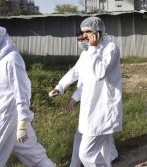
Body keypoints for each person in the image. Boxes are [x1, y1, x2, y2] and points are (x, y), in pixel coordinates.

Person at [0, 25, 55, 167]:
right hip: (5, 115)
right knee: (32, 153)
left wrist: (23, 122)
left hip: (6, 118)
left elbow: (22, 92)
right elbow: (0, 91)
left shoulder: (12, 60)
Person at [48, 31, 119, 166]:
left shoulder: (108, 50)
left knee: (91, 146)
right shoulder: (85, 54)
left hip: (101, 105)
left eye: (83, 39)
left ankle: (108, 158)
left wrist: (74, 97)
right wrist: (60, 87)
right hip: (89, 104)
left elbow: (97, 76)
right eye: (79, 40)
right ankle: (108, 157)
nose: (81, 42)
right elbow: (76, 73)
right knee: (96, 137)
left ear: (93, 36)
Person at [75, 17, 123, 166]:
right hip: (91, 105)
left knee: (86, 154)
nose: (85, 36)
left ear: (98, 32)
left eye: (88, 32)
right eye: (84, 33)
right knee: (105, 152)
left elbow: (100, 73)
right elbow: (77, 72)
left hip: (104, 107)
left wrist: (93, 49)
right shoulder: (88, 51)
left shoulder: (111, 48)